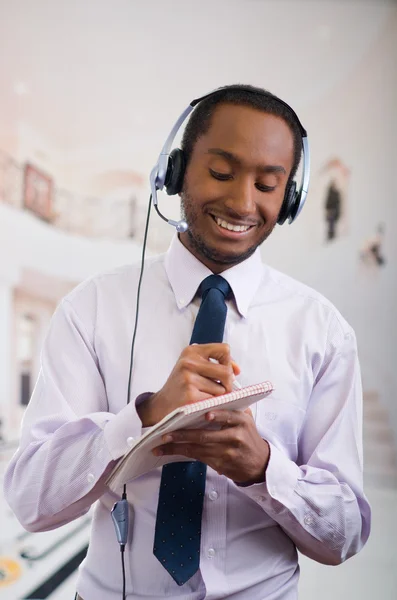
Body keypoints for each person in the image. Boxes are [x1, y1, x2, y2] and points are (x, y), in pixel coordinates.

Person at [4, 85, 371, 600]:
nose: (243, 203)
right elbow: (29, 502)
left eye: (267, 184)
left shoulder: (323, 332)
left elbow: (346, 533)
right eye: (220, 173)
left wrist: (264, 468)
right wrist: (145, 418)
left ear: (289, 198)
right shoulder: (90, 309)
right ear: (174, 173)